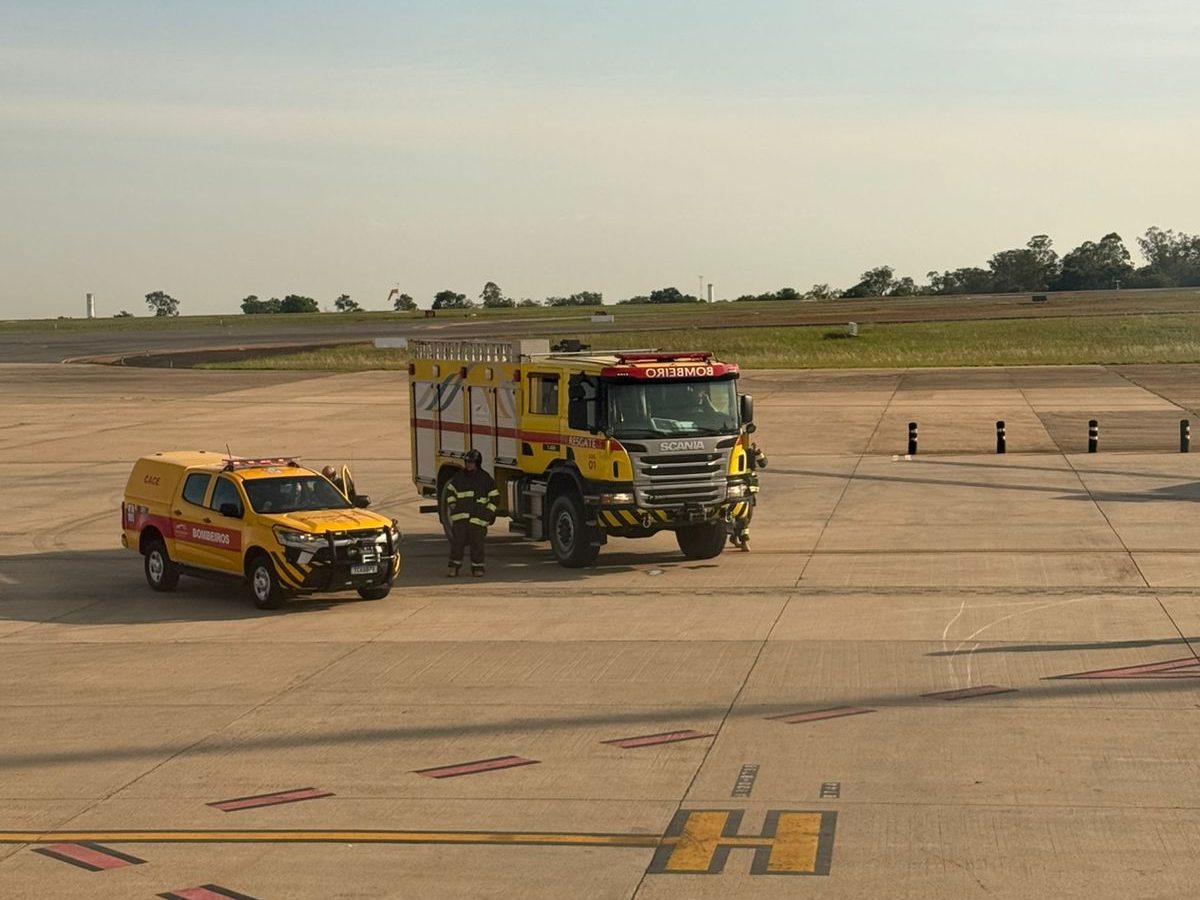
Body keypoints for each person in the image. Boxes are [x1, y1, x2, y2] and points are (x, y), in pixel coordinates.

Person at [445, 449, 498, 577]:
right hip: (461, 517)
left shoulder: (485, 479)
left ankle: (477, 568)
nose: (468, 464)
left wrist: (487, 514)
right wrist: (453, 505)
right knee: (457, 544)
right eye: (467, 462)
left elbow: (495, 497)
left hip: (478, 519)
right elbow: (450, 491)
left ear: (477, 463)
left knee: (477, 545)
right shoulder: (459, 477)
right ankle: (453, 567)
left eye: (471, 462)